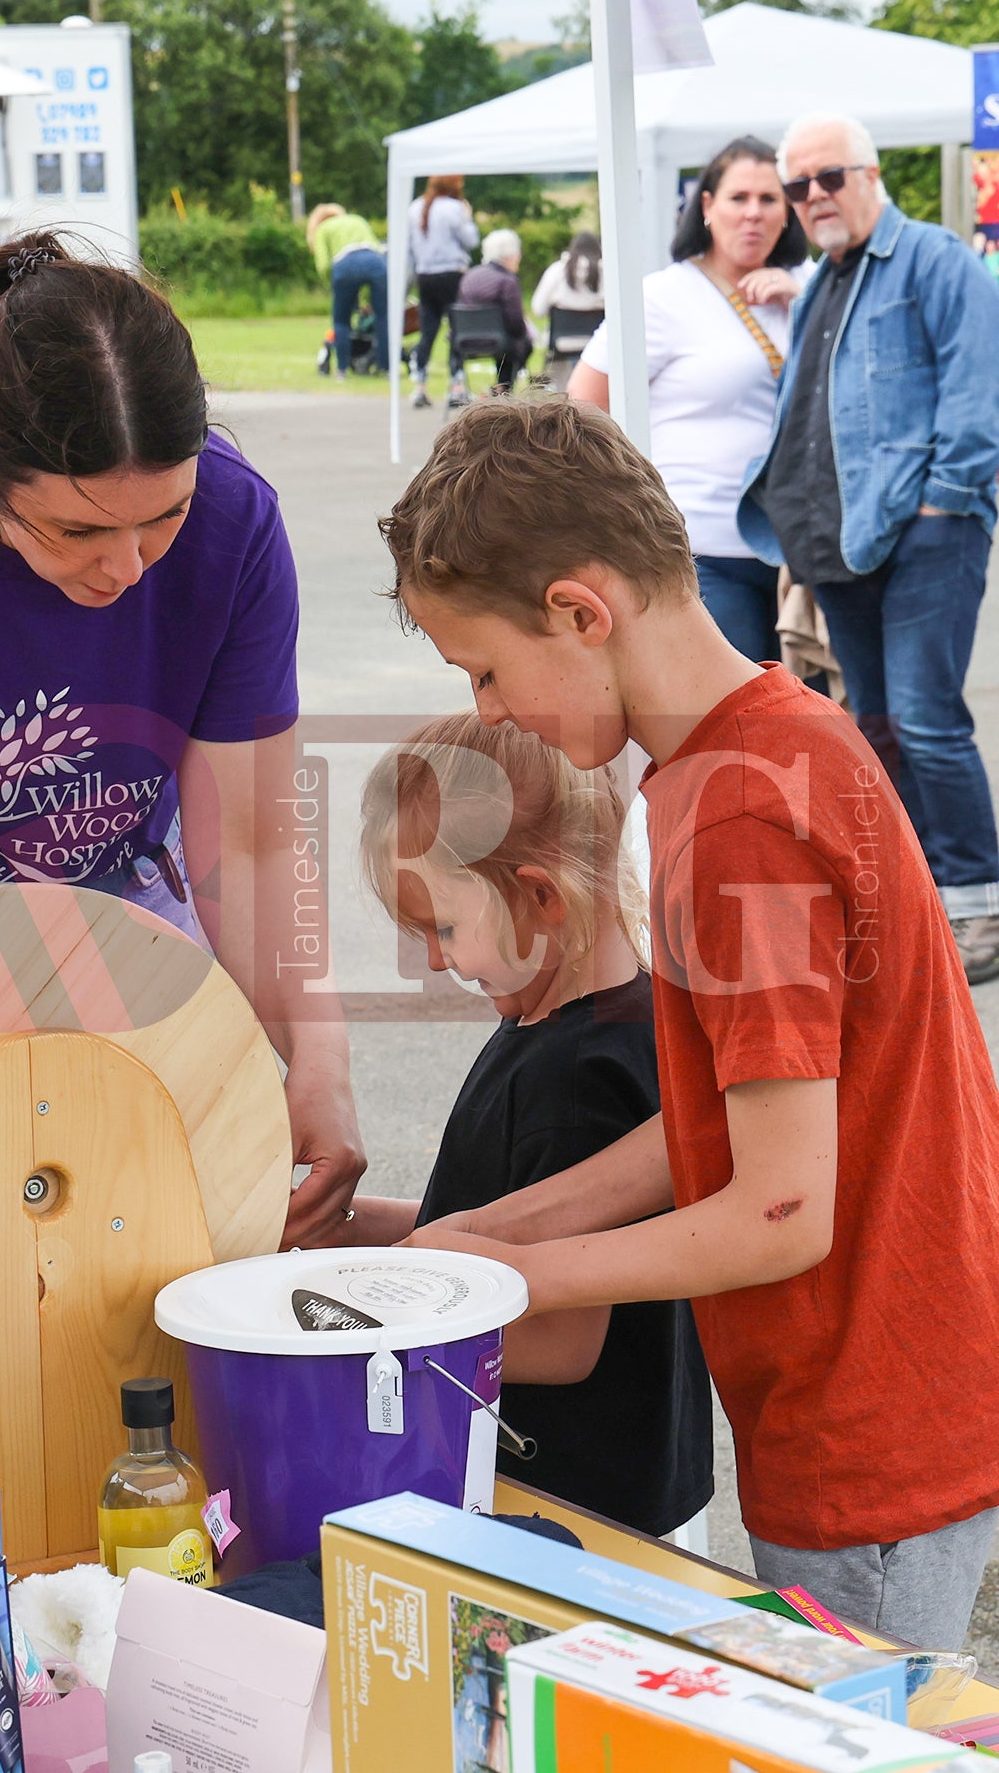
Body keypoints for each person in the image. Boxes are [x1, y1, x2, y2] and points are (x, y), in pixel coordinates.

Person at [379, 395, 999, 1650]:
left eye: (485, 671)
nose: (491, 714)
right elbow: (730, 1119)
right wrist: (491, 1230)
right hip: (910, 1385)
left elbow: (780, 1206)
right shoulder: (776, 741)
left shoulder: (732, 820)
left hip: (863, 1432)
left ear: (579, 611)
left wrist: (507, 1282)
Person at [0, 230, 365, 1246]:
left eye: (165, 518)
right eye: (79, 532)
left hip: (126, 913)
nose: (131, 570)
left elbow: (246, 848)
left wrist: (317, 1061)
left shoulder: (237, 523)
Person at [344, 710, 712, 1536]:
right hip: (627, 1490)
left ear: (540, 895)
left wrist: (362, 1325)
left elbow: (564, 1339)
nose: (438, 961)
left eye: (444, 928)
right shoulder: (584, 1024)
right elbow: (506, 1231)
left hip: (584, 1515)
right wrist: (357, 1229)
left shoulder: (578, 1079)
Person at [738, 112, 999, 985]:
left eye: (829, 178)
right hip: (835, 543)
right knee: (874, 728)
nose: (814, 197)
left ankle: (977, 903)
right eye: (797, 187)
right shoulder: (825, 279)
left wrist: (943, 504)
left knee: (926, 719)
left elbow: (977, 385)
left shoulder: (935, 261)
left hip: (924, 535)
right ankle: (919, 891)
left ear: (873, 174)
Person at [570, 137, 809, 666]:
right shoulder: (661, 297)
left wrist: (803, 302)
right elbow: (581, 410)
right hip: (702, 550)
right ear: (706, 206)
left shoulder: (812, 288)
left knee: (808, 723)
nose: (753, 213)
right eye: (738, 197)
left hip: (802, 553)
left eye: (769, 199)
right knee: (737, 723)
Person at [407, 175, 478, 411]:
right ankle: (455, 386)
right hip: (452, 274)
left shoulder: (415, 207)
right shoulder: (455, 208)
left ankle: (419, 385)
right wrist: (467, 215)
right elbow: (471, 240)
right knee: (457, 330)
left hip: (425, 275)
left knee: (428, 330)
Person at [306, 203, 389, 380]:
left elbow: (323, 265)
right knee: (382, 316)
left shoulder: (322, 228)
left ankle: (342, 369)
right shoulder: (357, 219)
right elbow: (376, 248)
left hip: (344, 265)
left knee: (341, 320)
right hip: (376, 262)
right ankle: (386, 368)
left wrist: (333, 283)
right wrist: (366, 299)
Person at [457, 229, 533, 393]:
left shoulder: (469, 275)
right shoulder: (507, 281)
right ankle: (503, 389)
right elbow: (515, 322)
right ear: (509, 256)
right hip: (498, 342)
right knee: (522, 343)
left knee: (509, 342)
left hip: (464, 342)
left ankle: (463, 388)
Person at [530, 229, 604, 318]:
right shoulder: (606, 274)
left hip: (561, 331)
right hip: (599, 331)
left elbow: (538, 309)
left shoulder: (556, 270)